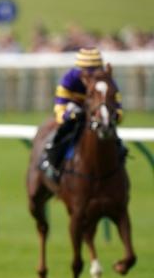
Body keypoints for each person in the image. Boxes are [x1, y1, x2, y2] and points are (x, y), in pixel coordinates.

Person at [41, 48, 124, 180]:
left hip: (97, 110)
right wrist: (66, 116)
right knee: (64, 131)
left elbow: (117, 103)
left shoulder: (106, 79)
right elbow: (60, 105)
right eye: (87, 70)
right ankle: (52, 161)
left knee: (114, 136)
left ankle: (120, 158)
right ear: (80, 69)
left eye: (95, 69)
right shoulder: (70, 78)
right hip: (76, 107)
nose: (91, 74)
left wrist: (117, 115)